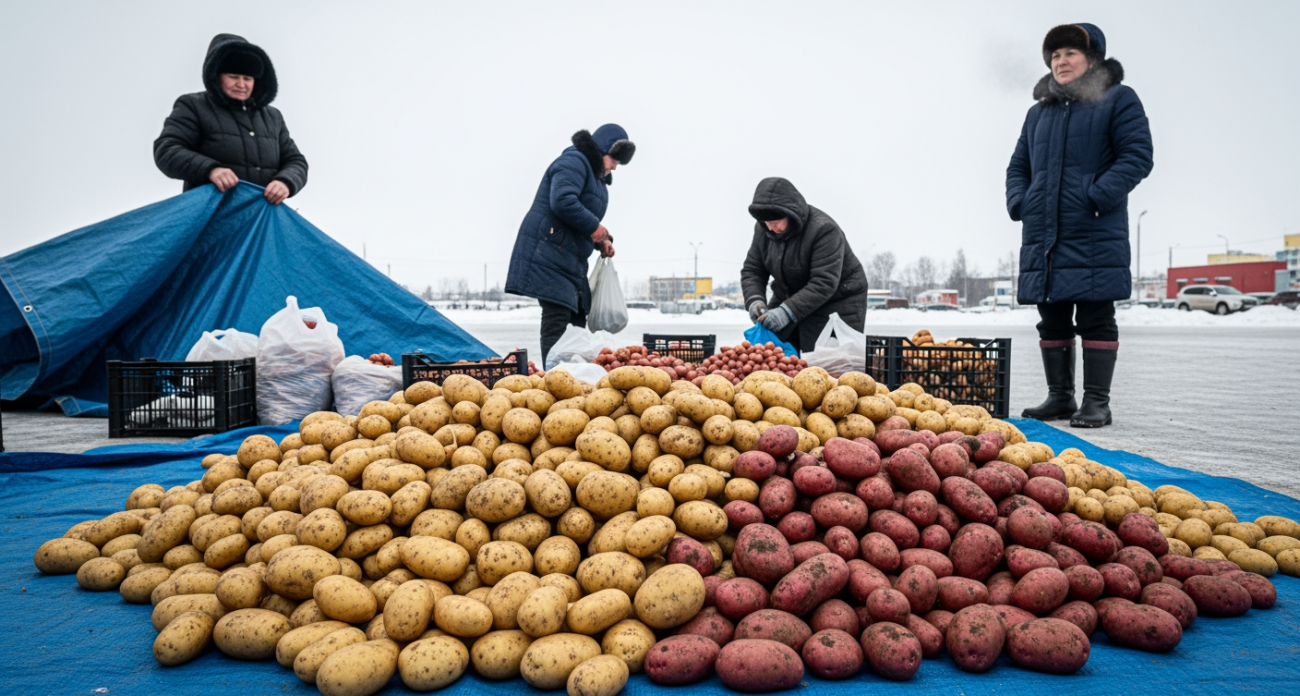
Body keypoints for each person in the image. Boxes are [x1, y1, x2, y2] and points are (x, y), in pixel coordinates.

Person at [1007, 23, 1153, 428]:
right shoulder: (1038, 114)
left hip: (1093, 229)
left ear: (1092, 59)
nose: (1061, 62)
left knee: (1095, 314)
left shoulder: (1118, 100)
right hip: (1044, 231)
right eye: (1055, 56)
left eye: (1070, 53)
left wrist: (1096, 196)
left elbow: (1137, 155)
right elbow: (1018, 167)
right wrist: (1022, 202)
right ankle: (1059, 397)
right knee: (1051, 315)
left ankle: (1097, 402)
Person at [505, 125, 635, 364]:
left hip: (569, 255)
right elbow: (563, 200)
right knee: (558, 314)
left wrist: (602, 240)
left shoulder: (598, 181)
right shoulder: (574, 161)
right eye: (614, 159)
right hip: (548, 248)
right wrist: (596, 228)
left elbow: (581, 220)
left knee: (577, 316)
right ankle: (554, 381)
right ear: (602, 150)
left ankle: (573, 376)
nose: (615, 166)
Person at [154, 34, 308, 204]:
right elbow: (167, 150)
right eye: (233, 76)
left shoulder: (273, 117)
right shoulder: (193, 105)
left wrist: (286, 181)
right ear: (216, 75)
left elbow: (296, 161)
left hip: (260, 218)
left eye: (248, 78)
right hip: (212, 216)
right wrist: (211, 169)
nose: (241, 84)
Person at [741, 177, 868, 353]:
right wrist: (755, 300)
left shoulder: (824, 230)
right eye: (766, 222)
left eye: (776, 221)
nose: (770, 228)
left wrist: (786, 312)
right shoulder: (763, 229)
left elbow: (823, 282)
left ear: (790, 213)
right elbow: (753, 269)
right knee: (778, 356)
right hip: (790, 293)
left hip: (837, 300)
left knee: (824, 363)